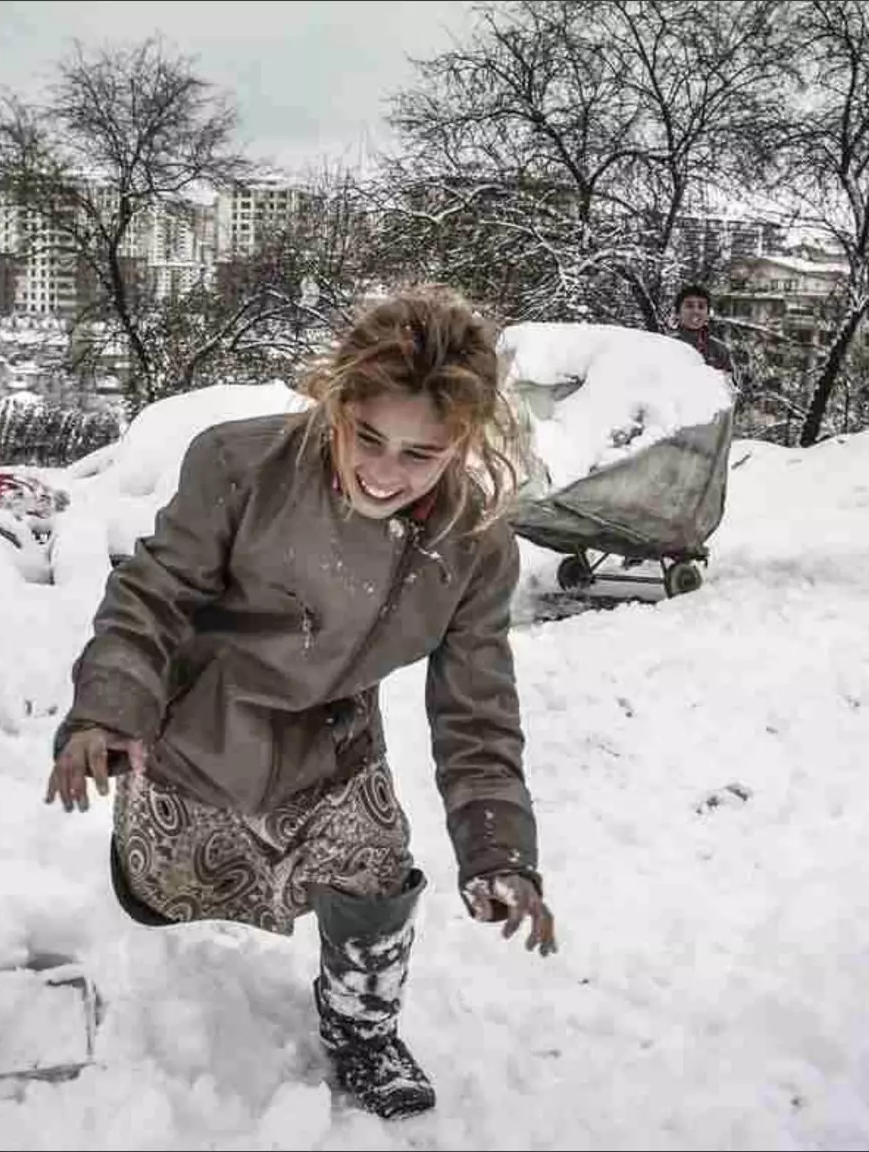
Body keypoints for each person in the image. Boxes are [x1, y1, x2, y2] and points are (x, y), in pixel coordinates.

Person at [45, 286, 557, 1121]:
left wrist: (500, 848)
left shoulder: (474, 546)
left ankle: (362, 1029)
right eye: (368, 437)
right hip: (204, 722)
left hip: (336, 737)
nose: (387, 472)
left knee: (376, 871)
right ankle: (143, 871)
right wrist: (110, 709)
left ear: (461, 443)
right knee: (164, 890)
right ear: (337, 401)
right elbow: (153, 596)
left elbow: (477, 708)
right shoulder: (238, 465)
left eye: (422, 454)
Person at [671, 284, 736, 379]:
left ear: (708, 315)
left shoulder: (719, 350)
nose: (696, 311)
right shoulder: (667, 346)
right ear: (677, 313)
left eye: (701, 307)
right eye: (689, 306)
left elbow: (729, 388)